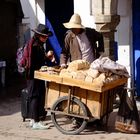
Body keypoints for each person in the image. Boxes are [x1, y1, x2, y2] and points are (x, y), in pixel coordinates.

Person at [25, 24, 55, 130]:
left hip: (36, 75)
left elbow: (40, 60)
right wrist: (46, 58)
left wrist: (47, 57)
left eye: (47, 36)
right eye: (44, 36)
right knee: (35, 97)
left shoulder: (38, 44)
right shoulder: (34, 46)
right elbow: (34, 63)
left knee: (36, 96)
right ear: (38, 35)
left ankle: (33, 120)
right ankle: (36, 122)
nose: (46, 38)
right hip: (33, 76)